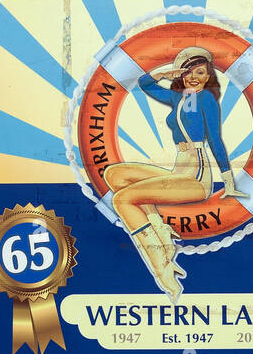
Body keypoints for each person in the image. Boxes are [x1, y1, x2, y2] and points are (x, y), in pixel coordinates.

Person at [104, 45, 245, 299]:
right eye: (189, 72)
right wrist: (167, 73)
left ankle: (162, 268)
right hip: (178, 169)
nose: (193, 77)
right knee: (114, 175)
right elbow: (145, 83)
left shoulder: (207, 100)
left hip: (196, 177)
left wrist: (228, 180)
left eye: (200, 72)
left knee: (122, 199)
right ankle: (160, 231)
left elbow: (215, 139)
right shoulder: (177, 97)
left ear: (208, 76)